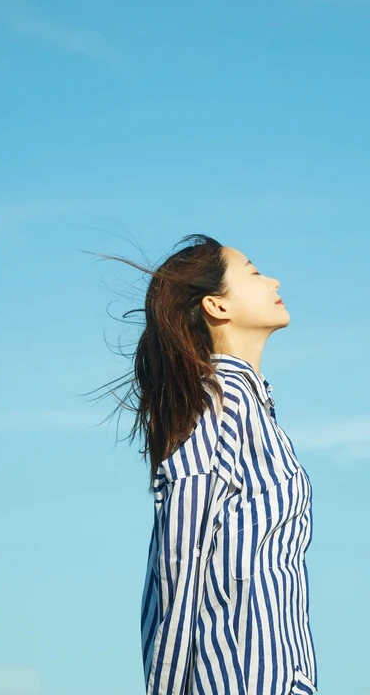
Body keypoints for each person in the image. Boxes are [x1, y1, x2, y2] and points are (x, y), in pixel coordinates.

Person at [113, 234, 318, 694]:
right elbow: (178, 561)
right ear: (216, 306)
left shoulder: (250, 409)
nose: (274, 280)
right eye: (253, 271)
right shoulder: (219, 405)